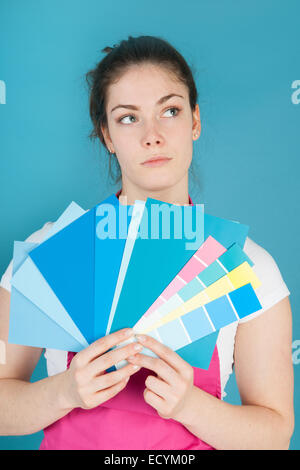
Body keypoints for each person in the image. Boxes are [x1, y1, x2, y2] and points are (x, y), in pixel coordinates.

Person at [0, 35, 294, 450]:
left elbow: (275, 435)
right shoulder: (53, 249)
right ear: (106, 134)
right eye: (128, 118)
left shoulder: (248, 266)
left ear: (194, 120)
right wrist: (64, 392)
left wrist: (189, 405)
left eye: (169, 111)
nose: (152, 136)